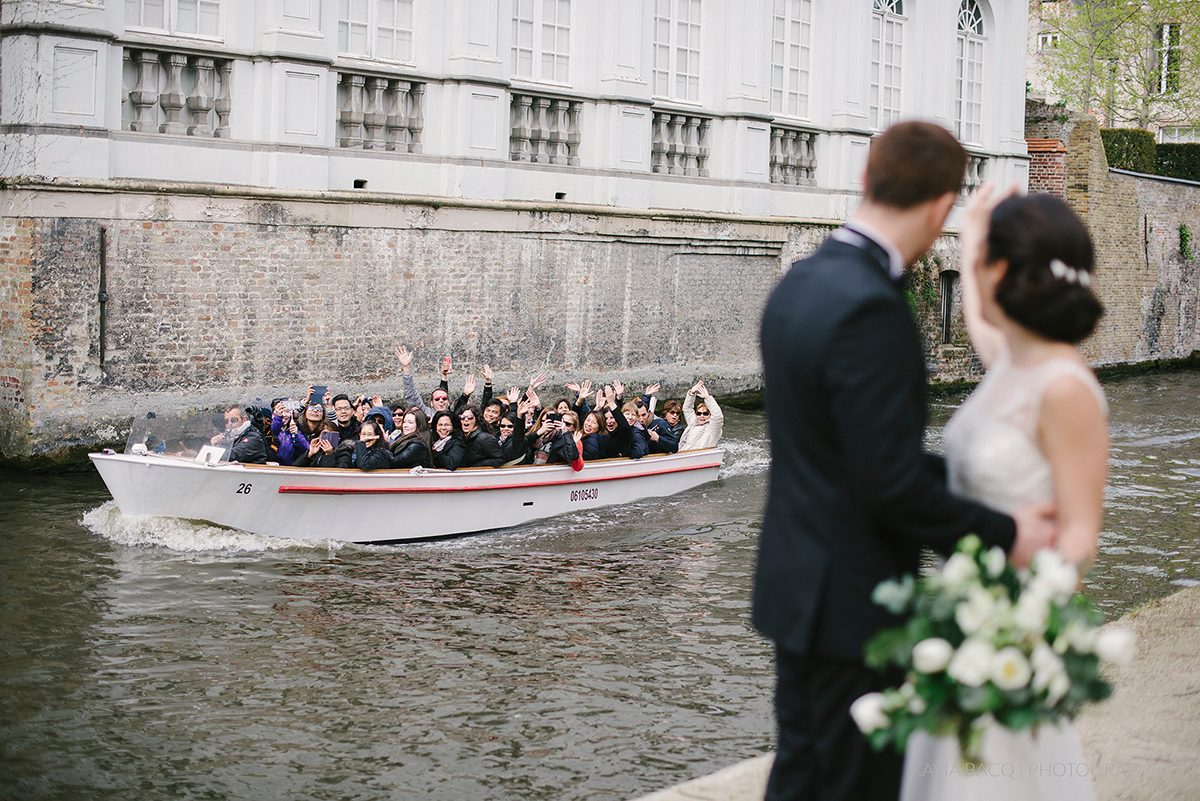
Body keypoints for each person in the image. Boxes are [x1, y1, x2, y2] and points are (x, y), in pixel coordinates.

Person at [753, 121, 1056, 801]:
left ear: (866, 178)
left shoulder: (799, 283)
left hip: (795, 587)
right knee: (851, 785)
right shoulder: (870, 307)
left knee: (802, 774)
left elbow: (835, 450)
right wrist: (1006, 531)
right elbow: (888, 482)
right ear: (942, 206)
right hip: (850, 603)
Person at [899, 188, 1108, 801]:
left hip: (1006, 637)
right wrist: (972, 239)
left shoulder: (1065, 388)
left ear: (1003, 273)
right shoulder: (1011, 365)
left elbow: (1080, 535)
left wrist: (1020, 628)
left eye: (983, 262)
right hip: (957, 620)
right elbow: (980, 321)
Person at [396, 345, 453, 419]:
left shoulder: (454, 418)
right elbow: (412, 396)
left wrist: (444, 376)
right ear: (431, 403)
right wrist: (406, 367)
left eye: (444, 398)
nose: (441, 400)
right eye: (437, 399)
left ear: (448, 402)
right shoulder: (426, 414)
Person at [678, 380, 724, 450]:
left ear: (710, 415)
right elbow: (687, 409)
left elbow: (718, 416)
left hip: (700, 455)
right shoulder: (693, 422)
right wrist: (691, 393)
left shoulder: (713, 428)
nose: (701, 416)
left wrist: (707, 397)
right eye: (699, 413)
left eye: (705, 413)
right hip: (683, 453)